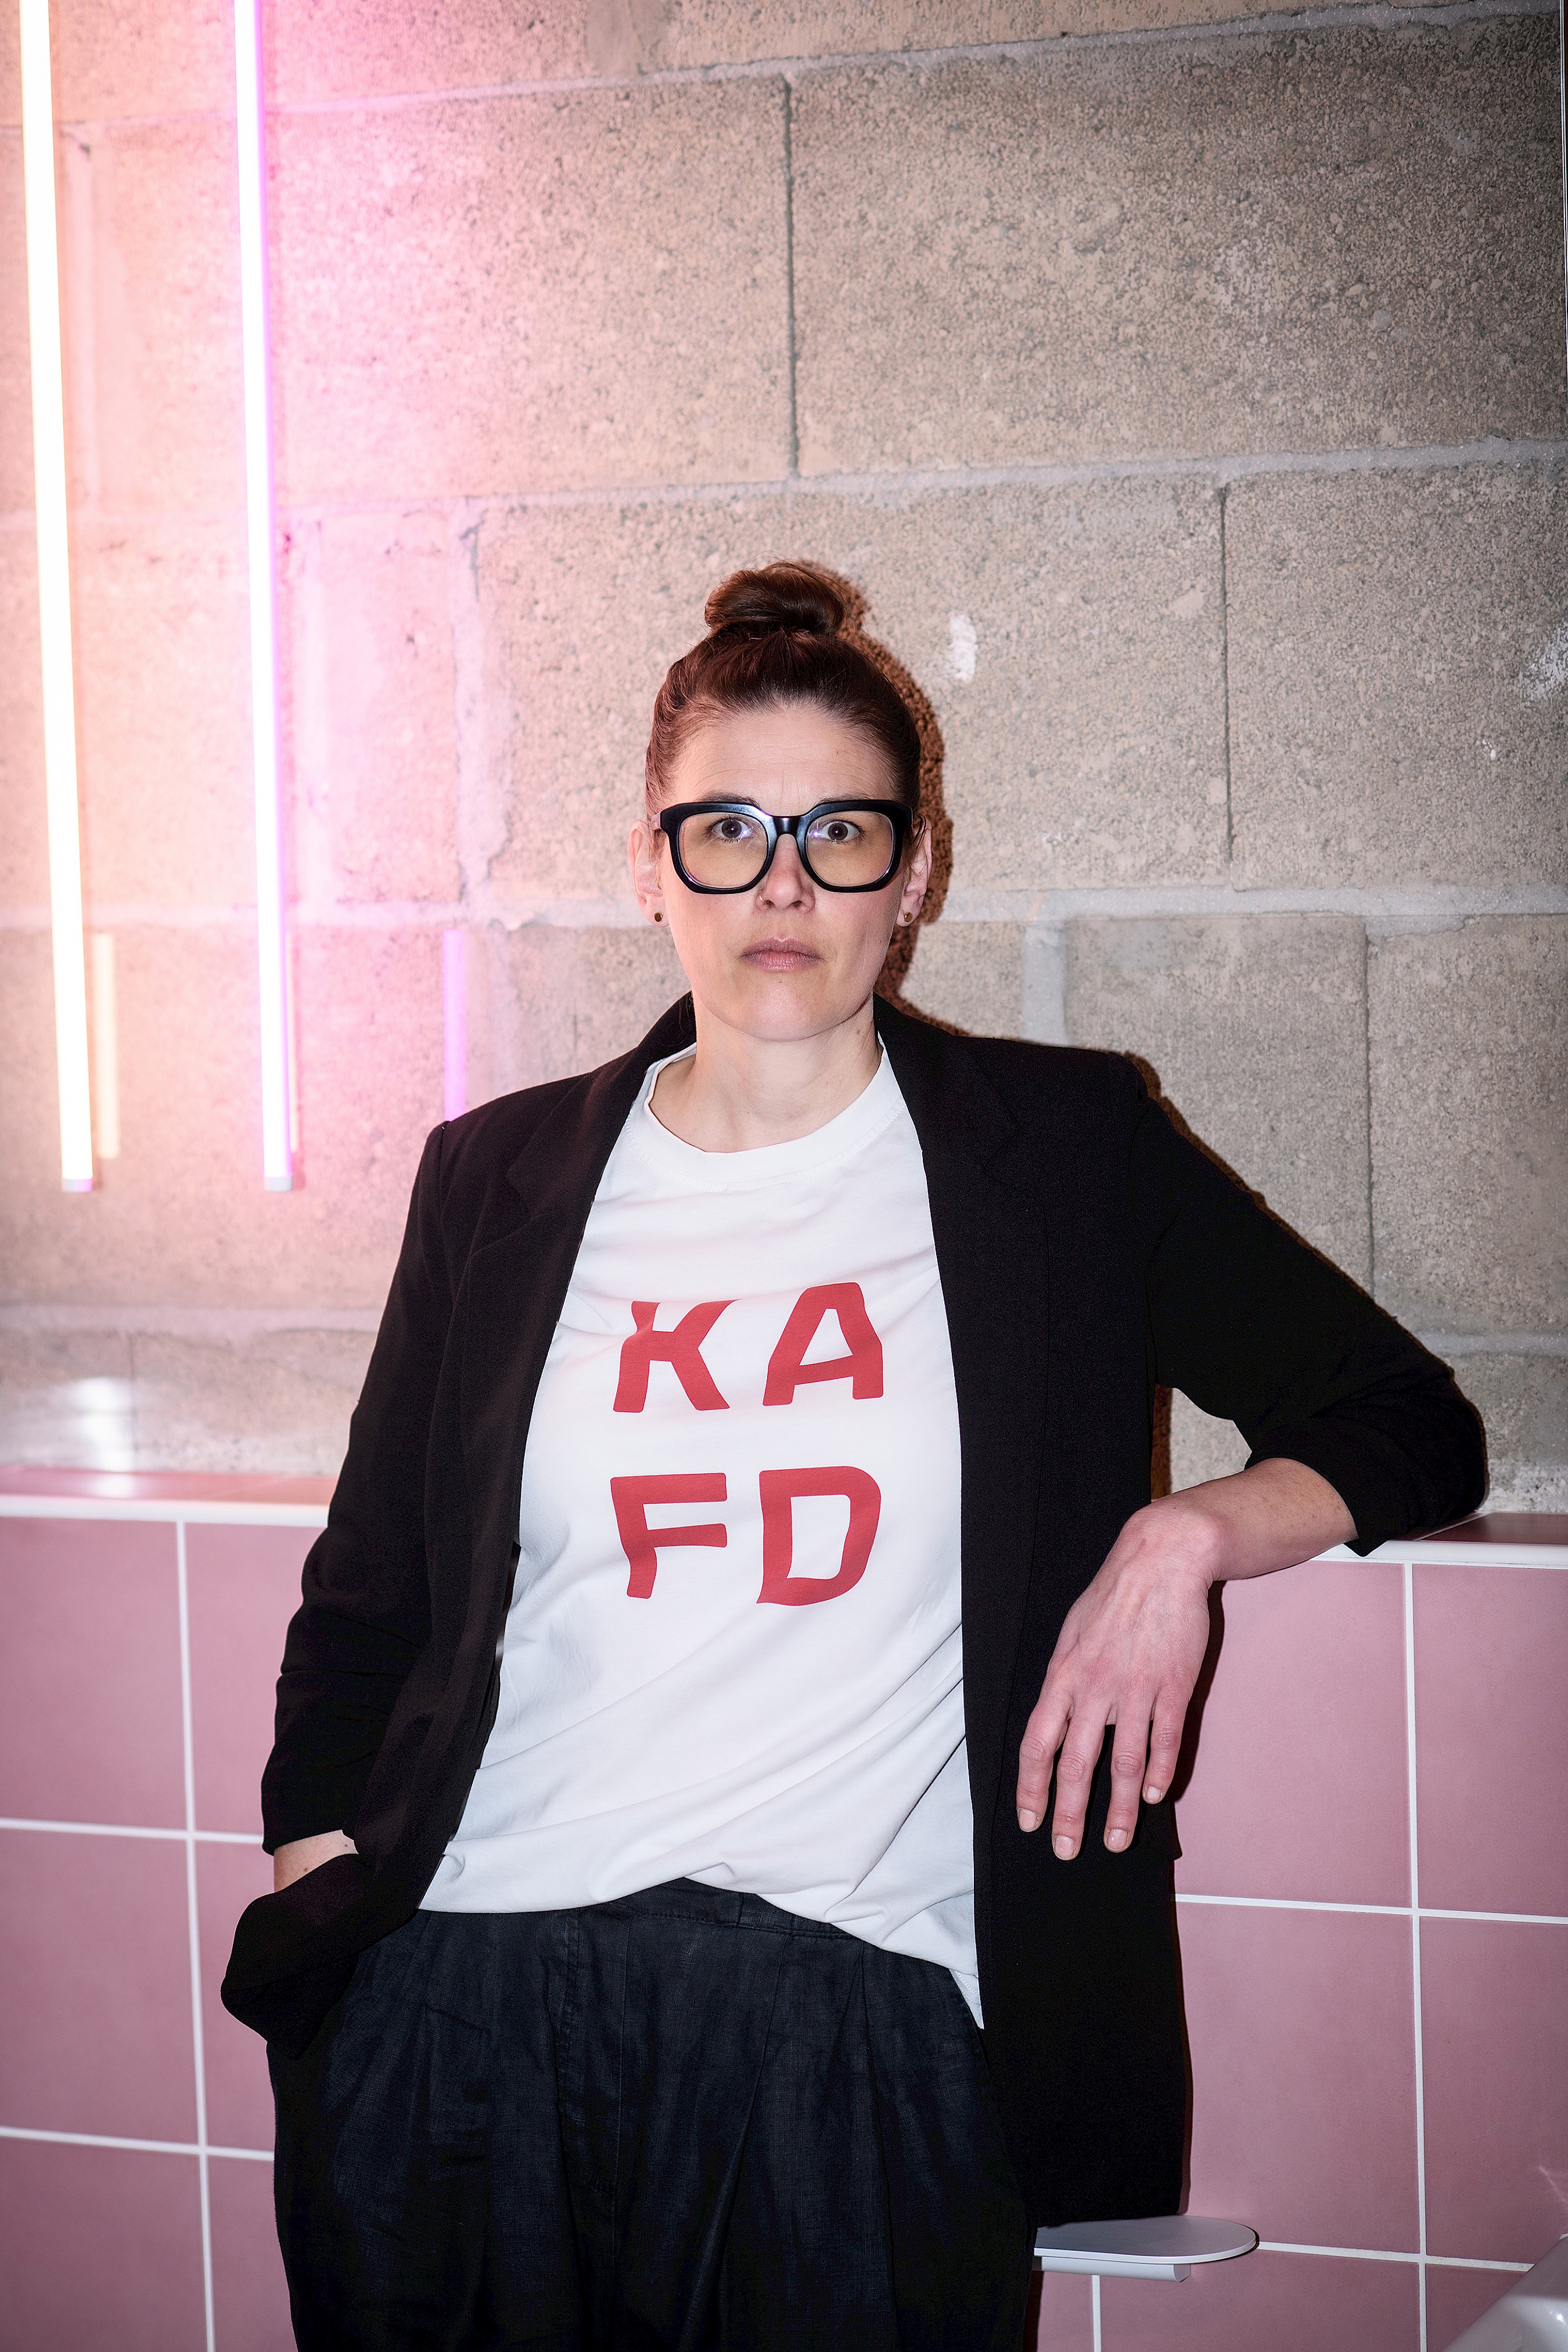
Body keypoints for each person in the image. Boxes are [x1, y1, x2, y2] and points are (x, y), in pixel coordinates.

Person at [224, 561, 1484, 2350]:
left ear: (916, 870)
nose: (783, 885)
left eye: (838, 832)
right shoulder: (495, 1178)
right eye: (726, 831)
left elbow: (1408, 1417)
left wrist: (1183, 1536)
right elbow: (368, 1599)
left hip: (856, 2027)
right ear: (649, 864)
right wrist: (323, 1888)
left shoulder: (1060, 1158)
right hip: (460, 2009)